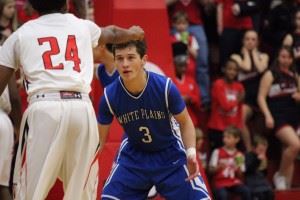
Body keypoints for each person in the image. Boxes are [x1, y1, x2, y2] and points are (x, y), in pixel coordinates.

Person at [0, 0, 144, 199]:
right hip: (81, 109)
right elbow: (111, 33)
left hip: (44, 108)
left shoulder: (21, 34)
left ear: (33, 6)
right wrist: (132, 33)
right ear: (65, 4)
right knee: (82, 193)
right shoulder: (81, 25)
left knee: (29, 193)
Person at [98, 40, 210, 200]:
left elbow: (185, 122)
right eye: (120, 58)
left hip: (169, 153)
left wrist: (191, 152)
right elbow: (99, 142)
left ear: (144, 60)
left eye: (130, 57)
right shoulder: (109, 95)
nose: (125, 64)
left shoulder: (165, 87)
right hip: (134, 157)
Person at [257, 46, 300, 190]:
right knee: (295, 145)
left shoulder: (295, 75)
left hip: (293, 116)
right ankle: (280, 175)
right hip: (278, 115)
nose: (285, 60)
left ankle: (285, 190)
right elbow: (261, 97)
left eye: (288, 57)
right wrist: (268, 115)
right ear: (278, 57)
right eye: (283, 56)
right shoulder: (271, 74)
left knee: (289, 151)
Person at [231, 29, 269, 152]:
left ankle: (259, 155)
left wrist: (254, 53)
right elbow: (246, 67)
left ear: (258, 42)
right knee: (240, 118)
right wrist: (247, 53)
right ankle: (248, 150)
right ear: (243, 41)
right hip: (245, 98)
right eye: (247, 39)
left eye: (253, 39)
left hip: (260, 98)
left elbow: (260, 68)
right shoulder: (236, 56)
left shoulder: (264, 56)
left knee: (260, 132)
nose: (250, 42)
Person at [207, 59, 245, 152]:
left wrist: (239, 127)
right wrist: (237, 99)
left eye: (235, 70)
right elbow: (225, 106)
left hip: (233, 130)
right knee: (216, 159)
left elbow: (239, 110)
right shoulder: (218, 84)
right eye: (230, 69)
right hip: (218, 128)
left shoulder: (239, 87)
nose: (232, 72)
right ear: (224, 69)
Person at [209, 126, 251, 200]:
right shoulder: (217, 152)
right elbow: (210, 171)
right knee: (222, 195)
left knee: (246, 191)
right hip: (219, 182)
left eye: (228, 137)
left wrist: (238, 165)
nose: (225, 139)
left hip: (233, 182)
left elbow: (240, 175)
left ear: (237, 139)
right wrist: (218, 167)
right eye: (224, 137)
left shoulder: (239, 154)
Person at [0, 74, 22, 200]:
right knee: (2, 187)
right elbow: (14, 96)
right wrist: (18, 127)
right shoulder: (3, 53)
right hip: (3, 121)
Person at [170, 11, 199, 81]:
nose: (181, 26)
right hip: (176, 68)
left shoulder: (191, 38)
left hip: (190, 67)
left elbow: (196, 55)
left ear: (187, 24)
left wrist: (186, 45)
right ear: (174, 24)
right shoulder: (170, 38)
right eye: (178, 23)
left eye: (183, 23)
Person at [245, 135, 273, 200]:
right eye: (260, 150)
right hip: (252, 182)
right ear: (253, 148)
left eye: (264, 150)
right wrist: (258, 160)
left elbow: (264, 173)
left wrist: (264, 166)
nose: (263, 152)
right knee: (260, 195)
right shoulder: (249, 156)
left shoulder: (263, 158)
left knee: (270, 193)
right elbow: (249, 169)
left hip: (262, 182)